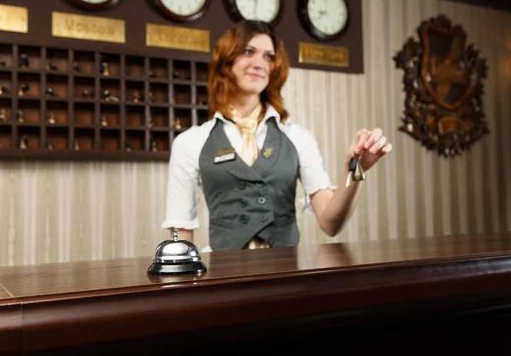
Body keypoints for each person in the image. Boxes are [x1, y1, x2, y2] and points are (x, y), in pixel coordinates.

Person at [161, 20, 392, 251]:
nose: (259, 63)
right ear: (226, 62)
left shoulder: (299, 138)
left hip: (285, 277)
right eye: (248, 51)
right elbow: (180, 233)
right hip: (224, 279)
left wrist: (355, 168)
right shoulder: (190, 142)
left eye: (269, 57)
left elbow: (330, 224)